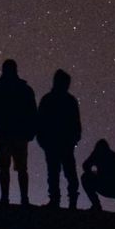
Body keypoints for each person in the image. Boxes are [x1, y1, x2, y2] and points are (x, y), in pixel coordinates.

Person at [0, 59, 37, 206]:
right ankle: (24, 199)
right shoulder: (25, 90)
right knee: (21, 168)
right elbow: (32, 112)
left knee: (4, 167)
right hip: (19, 133)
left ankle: (5, 198)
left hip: (3, 133)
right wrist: (31, 131)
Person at [36, 69, 81, 209]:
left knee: (55, 172)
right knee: (67, 173)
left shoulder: (48, 99)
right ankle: (70, 201)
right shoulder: (69, 101)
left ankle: (56, 200)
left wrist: (42, 139)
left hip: (54, 142)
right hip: (63, 142)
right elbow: (76, 123)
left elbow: (40, 121)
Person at [81, 139, 115, 213]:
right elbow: (85, 165)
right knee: (85, 177)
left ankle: (97, 206)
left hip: (114, 187)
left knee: (85, 178)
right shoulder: (114, 157)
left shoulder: (105, 156)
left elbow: (86, 165)